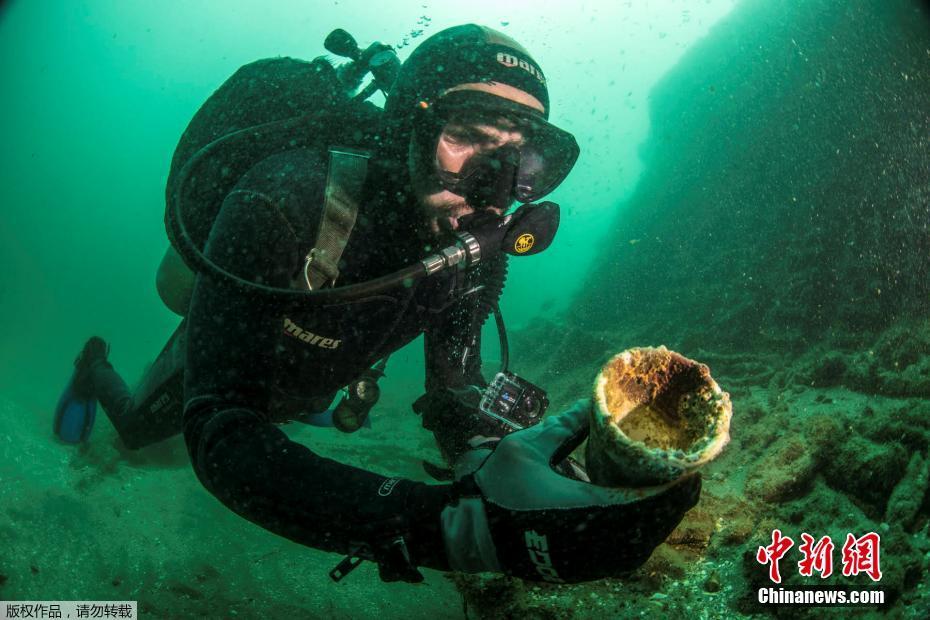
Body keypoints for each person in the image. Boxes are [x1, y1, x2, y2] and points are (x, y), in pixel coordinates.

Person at [55, 24, 700, 584]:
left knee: (313, 409)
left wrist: (499, 459)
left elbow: (453, 389)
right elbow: (219, 430)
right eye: (467, 135)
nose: (495, 187)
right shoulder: (285, 199)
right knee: (138, 431)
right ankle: (93, 365)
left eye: (522, 158)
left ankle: (309, 405)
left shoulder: (475, 252)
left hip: (317, 382)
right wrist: (445, 528)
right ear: (406, 130)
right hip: (241, 358)